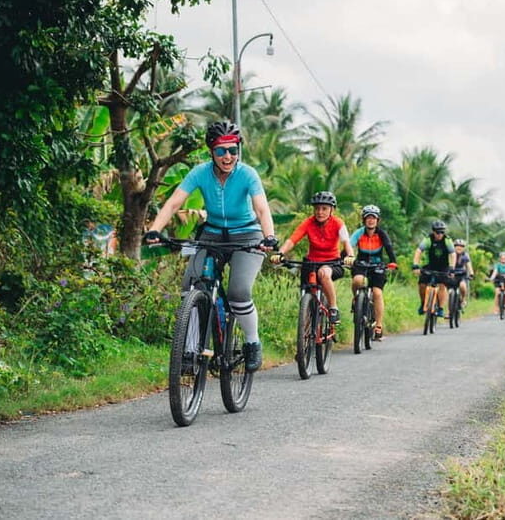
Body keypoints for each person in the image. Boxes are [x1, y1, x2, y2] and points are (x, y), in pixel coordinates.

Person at [145, 120, 277, 373]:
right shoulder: (200, 173)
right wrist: (155, 230)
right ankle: (190, 350)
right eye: (221, 151)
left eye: (233, 150)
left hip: (247, 236)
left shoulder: (248, 173)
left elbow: (262, 208)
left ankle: (252, 342)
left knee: (239, 292)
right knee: (191, 286)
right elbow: (173, 203)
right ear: (211, 152)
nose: (228, 156)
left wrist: (268, 236)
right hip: (212, 235)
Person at [270, 191, 354, 325]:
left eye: (324, 208)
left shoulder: (338, 223)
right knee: (306, 291)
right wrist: (280, 254)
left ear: (332, 210)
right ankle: (307, 324)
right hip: (311, 263)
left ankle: (333, 308)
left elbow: (346, 242)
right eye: (317, 208)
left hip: (332, 263)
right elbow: (292, 240)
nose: (320, 212)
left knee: (323, 273)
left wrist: (350, 256)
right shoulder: (308, 223)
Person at [349, 205, 398, 340]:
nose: (371, 220)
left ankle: (378, 326)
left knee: (377, 292)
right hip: (361, 263)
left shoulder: (382, 234)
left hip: (378, 265)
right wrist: (346, 257)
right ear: (364, 220)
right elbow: (349, 245)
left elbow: (388, 248)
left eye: (373, 218)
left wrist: (393, 262)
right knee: (357, 280)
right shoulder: (359, 232)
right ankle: (356, 298)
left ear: (378, 220)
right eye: (368, 217)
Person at [411, 220, 456, 318]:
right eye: (437, 232)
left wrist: (452, 268)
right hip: (430, 265)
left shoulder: (447, 240)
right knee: (422, 284)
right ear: (433, 231)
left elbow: (453, 254)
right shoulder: (428, 239)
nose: (439, 234)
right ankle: (423, 303)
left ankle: (440, 308)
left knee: (442, 285)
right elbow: (418, 251)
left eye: (442, 232)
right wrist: (415, 265)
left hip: (443, 266)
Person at [451, 238, 475, 308]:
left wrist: (471, 273)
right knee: (448, 291)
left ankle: (463, 299)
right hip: (452, 274)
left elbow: (469, 265)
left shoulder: (465, 255)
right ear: (454, 247)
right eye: (457, 246)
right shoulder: (451, 254)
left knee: (462, 286)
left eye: (461, 246)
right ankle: (450, 310)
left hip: (461, 275)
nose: (459, 247)